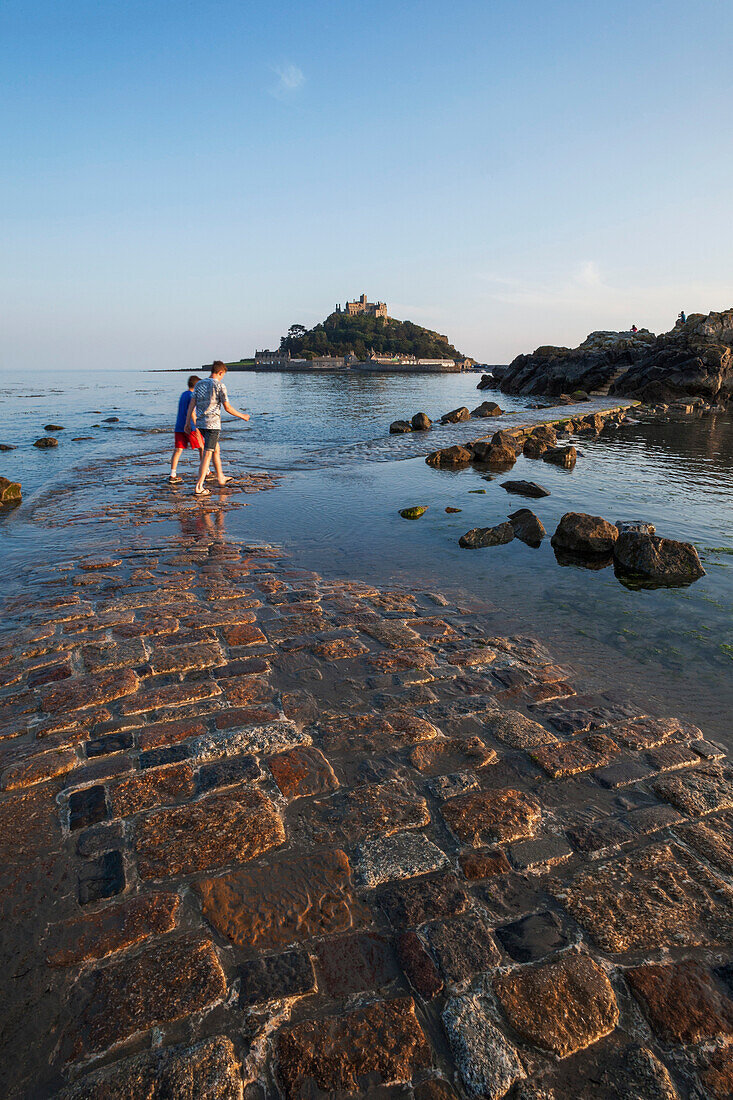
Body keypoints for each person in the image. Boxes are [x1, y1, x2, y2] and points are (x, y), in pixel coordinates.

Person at [185, 361, 250, 496]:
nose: (222, 378)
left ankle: (220, 476)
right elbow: (227, 407)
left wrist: (187, 422)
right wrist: (242, 415)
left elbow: (192, 403)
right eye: (223, 375)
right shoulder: (220, 385)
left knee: (216, 448)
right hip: (212, 425)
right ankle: (199, 486)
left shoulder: (199, 384)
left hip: (201, 423)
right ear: (220, 373)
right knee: (208, 454)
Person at [169, 375, 203, 483]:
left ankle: (173, 474)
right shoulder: (193, 395)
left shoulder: (183, 394)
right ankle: (206, 471)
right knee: (202, 447)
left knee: (178, 449)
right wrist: (197, 427)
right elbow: (192, 411)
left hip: (179, 426)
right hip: (190, 426)